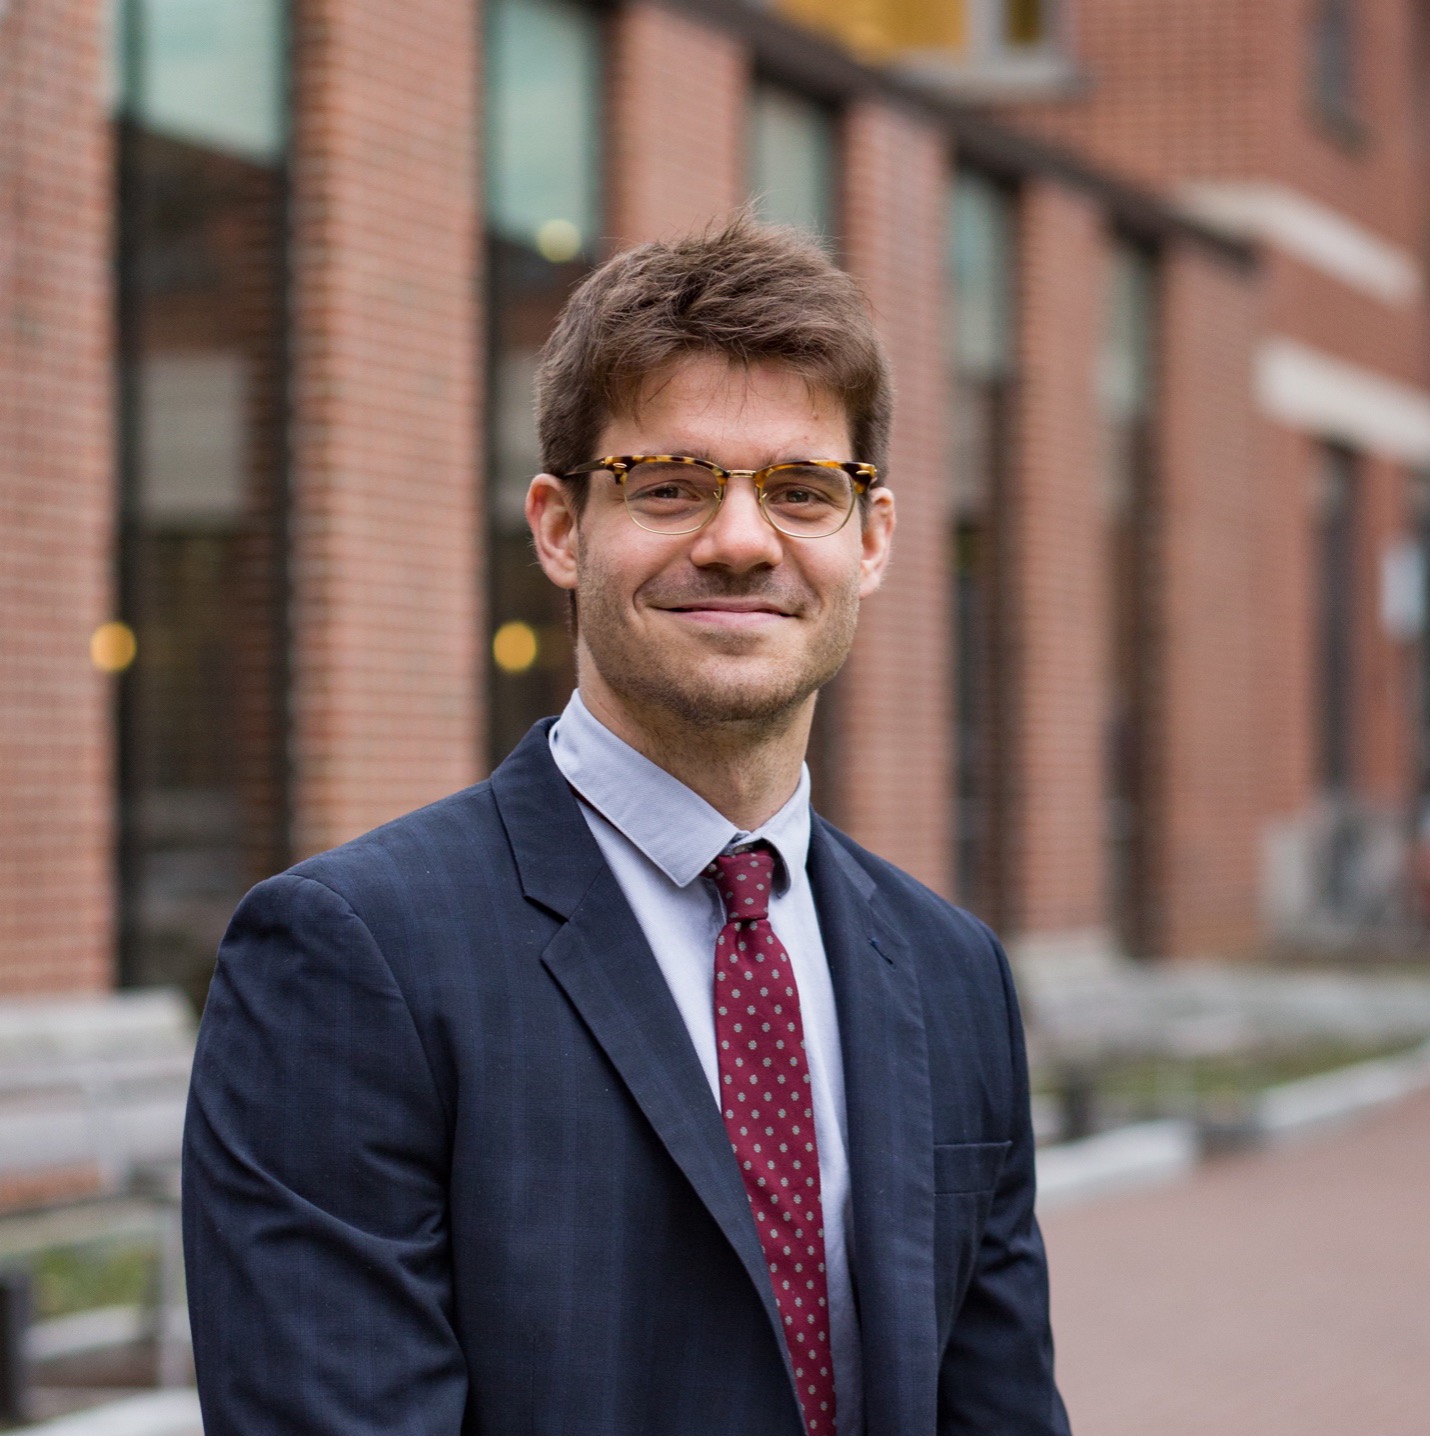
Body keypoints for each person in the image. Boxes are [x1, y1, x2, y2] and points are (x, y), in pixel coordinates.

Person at [183, 214, 1069, 1437]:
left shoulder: (950, 970)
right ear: (558, 526)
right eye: (669, 485)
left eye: (802, 489)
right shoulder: (352, 955)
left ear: (869, 541)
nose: (740, 538)